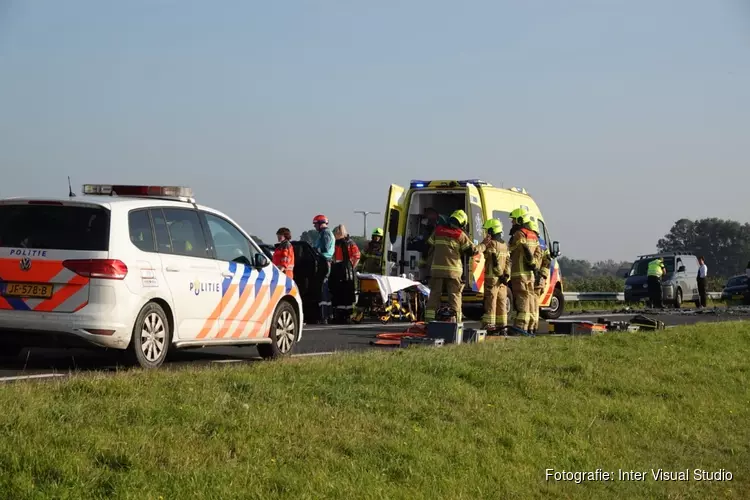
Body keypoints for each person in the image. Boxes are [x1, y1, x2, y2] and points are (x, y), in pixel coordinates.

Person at [424, 209, 477, 323]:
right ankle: (455, 322)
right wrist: (483, 245)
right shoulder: (460, 235)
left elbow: (428, 246)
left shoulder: (438, 231)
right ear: (462, 223)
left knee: (434, 295)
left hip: (437, 271)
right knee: (454, 297)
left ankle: (429, 321)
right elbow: (471, 251)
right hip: (453, 272)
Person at [475, 218, 510, 332]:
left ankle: (489, 326)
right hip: (503, 281)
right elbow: (509, 261)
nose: (486, 233)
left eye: (488, 231)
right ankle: (502, 327)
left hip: (493, 279)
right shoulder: (504, 244)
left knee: (491, 303)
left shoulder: (491, 244)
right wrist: (506, 276)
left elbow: (494, 261)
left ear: (492, 231)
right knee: (502, 304)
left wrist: (500, 275)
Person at [508, 213, 539, 334]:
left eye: (514, 220)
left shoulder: (519, 234)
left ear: (520, 220)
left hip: (520, 273)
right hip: (530, 274)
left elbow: (524, 248)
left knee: (522, 300)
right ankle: (530, 326)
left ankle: (521, 327)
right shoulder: (533, 235)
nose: (512, 223)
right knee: (530, 298)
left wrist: (530, 262)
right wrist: (534, 265)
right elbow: (538, 252)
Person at [329, 224, 361, 323]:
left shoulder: (349, 243)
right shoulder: (336, 243)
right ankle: (340, 314)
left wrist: (350, 267)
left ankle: (346, 315)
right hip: (338, 269)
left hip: (345, 270)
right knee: (339, 293)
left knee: (346, 293)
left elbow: (356, 256)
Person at [527, 219, 551, 334]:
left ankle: (532, 327)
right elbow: (547, 261)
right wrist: (543, 276)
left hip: (532, 276)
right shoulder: (543, 244)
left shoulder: (532, 241)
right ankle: (534, 326)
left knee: (531, 303)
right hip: (540, 277)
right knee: (535, 303)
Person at [313, 214, 335, 324]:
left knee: (323, 289)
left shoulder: (325, 233)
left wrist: (315, 249)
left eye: (315, 224)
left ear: (320, 223)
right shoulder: (324, 233)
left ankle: (324, 315)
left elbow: (325, 248)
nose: (314, 227)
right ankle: (326, 314)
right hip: (325, 262)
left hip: (324, 262)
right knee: (324, 288)